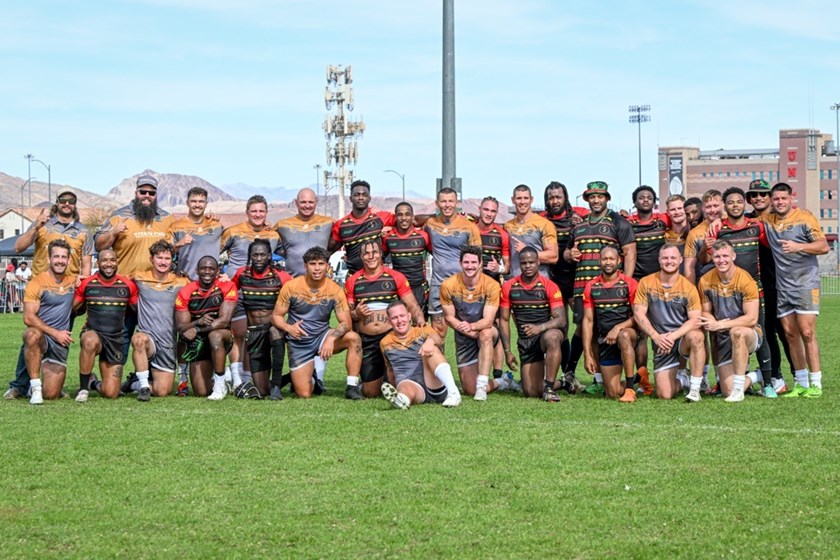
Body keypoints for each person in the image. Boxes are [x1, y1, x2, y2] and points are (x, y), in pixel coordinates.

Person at [5, 190, 93, 400]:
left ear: (75, 205)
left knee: (62, 337)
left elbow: (87, 263)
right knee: (33, 336)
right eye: (62, 200)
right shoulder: (44, 224)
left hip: (68, 292)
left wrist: (83, 284)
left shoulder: (83, 231)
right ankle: (20, 384)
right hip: (42, 289)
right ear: (57, 203)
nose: (66, 204)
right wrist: (36, 225)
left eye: (71, 201)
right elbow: (18, 247)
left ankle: (53, 379)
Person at [565, 181, 636, 393]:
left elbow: (630, 252)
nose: (596, 200)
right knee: (588, 329)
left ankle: (633, 378)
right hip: (583, 287)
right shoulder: (579, 225)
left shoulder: (617, 222)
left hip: (613, 288)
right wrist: (570, 254)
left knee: (621, 328)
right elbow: (568, 253)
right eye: (592, 197)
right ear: (587, 199)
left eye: (600, 196)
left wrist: (624, 283)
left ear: (607, 198)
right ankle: (598, 379)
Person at [760, 182, 829, 398]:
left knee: (807, 333)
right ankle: (800, 382)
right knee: (790, 335)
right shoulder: (767, 220)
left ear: (791, 199)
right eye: (776, 199)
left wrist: (799, 246)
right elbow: (745, 222)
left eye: (784, 198)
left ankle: (816, 383)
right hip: (783, 288)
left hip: (806, 285)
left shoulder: (805, 218)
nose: (780, 202)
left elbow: (823, 246)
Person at [271, 246, 362, 399]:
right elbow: (276, 316)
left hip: (322, 337)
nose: (317, 268)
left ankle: (352, 387)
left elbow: (346, 323)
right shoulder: (291, 287)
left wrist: (331, 338)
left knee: (353, 338)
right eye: (313, 264)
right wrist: (289, 328)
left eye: (321, 264)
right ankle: (311, 376)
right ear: (305, 266)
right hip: (299, 341)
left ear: (328, 266)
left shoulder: (335, 290)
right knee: (304, 394)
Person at [709, 187, 775, 396]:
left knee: (761, 334)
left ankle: (767, 382)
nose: (735, 205)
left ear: (744, 205)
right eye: (731, 202)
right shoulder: (718, 229)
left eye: (739, 201)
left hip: (755, 291)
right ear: (724, 206)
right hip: (727, 293)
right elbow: (706, 256)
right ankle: (730, 381)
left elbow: (772, 248)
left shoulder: (757, 227)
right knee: (727, 336)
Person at [345, 240, 425, 398]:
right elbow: (349, 314)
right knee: (371, 393)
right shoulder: (353, 280)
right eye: (366, 253)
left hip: (391, 337)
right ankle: (370, 380)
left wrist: (420, 320)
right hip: (367, 340)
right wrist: (357, 314)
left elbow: (412, 304)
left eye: (374, 252)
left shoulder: (396, 277)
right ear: (361, 256)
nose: (371, 256)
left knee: (397, 383)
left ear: (381, 254)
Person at [220, 195, 281, 393]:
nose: (258, 214)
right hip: (237, 289)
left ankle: (248, 376)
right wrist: (221, 276)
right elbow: (213, 252)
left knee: (252, 335)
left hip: (261, 290)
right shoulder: (233, 231)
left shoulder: (273, 235)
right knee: (238, 333)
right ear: (247, 212)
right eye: (254, 211)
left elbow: (285, 255)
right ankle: (237, 379)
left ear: (266, 213)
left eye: (261, 211)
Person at [632, 244, 706, 402]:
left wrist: (673, 336)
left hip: (680, 339)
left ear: (680, 260)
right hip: (661, 342)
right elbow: (639, 313)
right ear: (659, 260)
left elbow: (695, 319)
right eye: (665, 258)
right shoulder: (646, 283)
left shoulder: (689, 287)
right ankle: (683, 380)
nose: (669, 261)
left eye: (673, 258)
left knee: (697, 337)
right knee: (664, 395)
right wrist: (656, 336)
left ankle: (695, 389)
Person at [440, 245, 515, 400]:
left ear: (480, 263)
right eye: (466, 262)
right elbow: (449, 317)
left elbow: (488, 320)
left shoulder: (492, 285)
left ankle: (482, 386)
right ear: (460, 263)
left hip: (484, 331)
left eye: (474, 262)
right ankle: (504, 381)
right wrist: (467, 330)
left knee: (486, 333)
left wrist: (472, 327)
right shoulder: (448, 285)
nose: (470, 266)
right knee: (468, 390)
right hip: (463, 335)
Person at [698, 240, 762, 403]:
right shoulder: (705, 280)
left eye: (725, 255)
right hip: (724, 336)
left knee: (737, 332)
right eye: (717, 256)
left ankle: (739, 390)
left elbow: (752, 318)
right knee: (727, 390)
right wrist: (712, 322)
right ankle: (757, 375)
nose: (721, 260)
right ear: (712, 257)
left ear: (734, 256)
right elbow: (706, 311)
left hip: (750, 333)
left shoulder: (746, 280)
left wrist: (719, 325)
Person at [499, 247, 566, 402]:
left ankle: (549, 388)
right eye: (523, 263)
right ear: (519, 264)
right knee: (531, 391)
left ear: (538, 262)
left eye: (531, 262)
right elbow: (503, 320)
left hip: (543, 335)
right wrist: (508, 351)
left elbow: (561, 319)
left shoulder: (549, 286)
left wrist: (540, 328)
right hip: (526, 341)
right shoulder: (509, 286)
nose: (527, 266)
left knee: (553, 336)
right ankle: (564, 382)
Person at [745, 179, 793, 393]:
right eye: (754, 195)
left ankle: (791, 376)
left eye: (763, 194)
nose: (758, 198)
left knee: (783, 332)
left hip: (778, 284)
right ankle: (771, 376)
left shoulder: (779, 220)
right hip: (753, 285)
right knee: (762, 331)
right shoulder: (745, 221)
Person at [72, 249, 138, 402]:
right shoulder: (87, 283)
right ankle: (83, 389)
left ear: (117, 262)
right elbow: (72, 309)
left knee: (111, 393)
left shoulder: (128, 285)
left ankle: (92, 382)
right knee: (89, 341)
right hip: (93, 332)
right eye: (105, 260)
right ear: (98, 263)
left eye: (112, 260)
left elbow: (139, 311)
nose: (109, 264)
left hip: (116, 339)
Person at [231, 239, 293, 399]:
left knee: (275, 332)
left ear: (269, 256)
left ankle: (277, 388)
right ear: (250, 256)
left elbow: (297, 296)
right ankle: (291, 378)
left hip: (272, 328)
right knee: (261, 389)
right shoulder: (241, 274)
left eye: (262, 255)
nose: (259, 258)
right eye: (255, 255)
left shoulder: (281, 277)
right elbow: (229, 292)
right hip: (253, 333)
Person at [174, 256, 241, 400]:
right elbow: (181, 328)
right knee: (201, 391)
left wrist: (197, 329)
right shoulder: (186, 292)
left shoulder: (227, 286)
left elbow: (224, 321)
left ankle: (219, 384)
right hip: (198, 342)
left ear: (218, 271)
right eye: (203, 268)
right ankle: (224, 374)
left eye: (211, 269)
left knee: (215, 336)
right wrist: (197, 322)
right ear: (197, 271)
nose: (207, 271)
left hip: (223, 337)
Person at [130, 241, 190, 400]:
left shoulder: (181, 282)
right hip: (148, 339)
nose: (163, 262)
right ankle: (143, 387)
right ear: (151, 259)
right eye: (159, 257)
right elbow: (116, 281)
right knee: (138, 339)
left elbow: (201, 289)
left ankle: (133, 383)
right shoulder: (139, 277)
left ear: (172, 260)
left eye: (167, 258)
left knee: (162, 391)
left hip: (167, 342)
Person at [626, 185, 671, 394]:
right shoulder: (627, 224)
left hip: (660, 283)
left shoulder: (663, 221)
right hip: (637, 284)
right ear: (634, 202)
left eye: (649, 197)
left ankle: (667, 372)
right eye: (641, 197)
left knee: (662, 327)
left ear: (654, 202)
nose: (645, 200)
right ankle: (642, 374)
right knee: (642, 331)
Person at [540, 181, 586, 380]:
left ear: (565, 197)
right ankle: (567, 373)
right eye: (551, 197)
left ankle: (570, 368)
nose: (555, 201)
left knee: (584, 323)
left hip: (576, 278)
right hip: (554, 279)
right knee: (561, 327)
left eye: (558, 197)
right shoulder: (541, 219)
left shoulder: (579, 214)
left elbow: (603, 216)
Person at [21, 240, 77, 405]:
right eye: (56, 256)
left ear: (68, 260)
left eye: (63, 257)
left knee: (52, 394)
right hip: (44, 337)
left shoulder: (74, 281)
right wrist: (55, 333)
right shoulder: (36, 282)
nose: (60, 260)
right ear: (49, 259)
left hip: (60, 344)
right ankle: (35, 387)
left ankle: (41, 387)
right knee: (31, 334)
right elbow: (28, 317)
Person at [378, 300, 462, 409]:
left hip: (433, 383)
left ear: (409, 316)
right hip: (413, 387)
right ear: (389, 321)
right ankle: (402, 399)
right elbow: (390, 370)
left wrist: (430, 341)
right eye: (394, 318)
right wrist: (395, 386)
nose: (399, 321)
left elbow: (438, 339)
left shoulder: (422, 330)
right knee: (404, 385)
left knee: (430, 350)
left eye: (402, 316)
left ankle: (453, 393)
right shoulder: (385, 342)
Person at [581, 245, 639, 402]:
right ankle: (638, 381)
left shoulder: (630, 283)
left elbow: (638, 317)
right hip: (605, 341)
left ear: (619, 261)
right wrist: (587, 354)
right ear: (599, 261)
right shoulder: (591, 286)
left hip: (628, 335)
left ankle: (630, 389)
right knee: (612, 393)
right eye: (604, 259)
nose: (608, 262)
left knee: (624, 335)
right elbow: (588, 320)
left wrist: (618, 327)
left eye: (611, 259)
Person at [424, 187, 482, 339]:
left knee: (468, 332)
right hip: (438, 285)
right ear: (437, 203)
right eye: (443, 201)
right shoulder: (430, 224)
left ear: (457, 203)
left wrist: (475, 286)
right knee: (437, 332)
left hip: (462, 286)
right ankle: (440, 364)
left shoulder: (469, 227)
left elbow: (478, 260)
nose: (447, 205)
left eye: (451, 201)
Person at [95, 175, 176, 278]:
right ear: (136, 193)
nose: (147, 195)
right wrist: (113, 233)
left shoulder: (168, 218)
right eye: (143, 192)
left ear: (156, 195)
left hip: (155, 285)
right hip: (126, 283)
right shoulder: (118, 216)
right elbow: (98, 246)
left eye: (151, 193)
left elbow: (175, 250)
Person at [329, 180, 395, 275]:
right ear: (351, 198)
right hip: (354, 278)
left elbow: (407, 221)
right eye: (357, 195)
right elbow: (329, 251)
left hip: (378, 277)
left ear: (369, 198)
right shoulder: (341, 225)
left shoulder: (380, 217)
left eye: (364, 195)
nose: (360, 198)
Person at [381, 201, 431, 316]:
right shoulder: (388, 238)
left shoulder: (423, 236)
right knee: (399, 326)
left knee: (419, 327)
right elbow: (378, 260)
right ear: (396, 217)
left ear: (412, 217)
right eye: (400, 214)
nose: (404, 218)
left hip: (419, 289)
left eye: (407, 214)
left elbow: (438, 256)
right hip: (398, 290)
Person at [274, 188, 334, 278]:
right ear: (296, 202)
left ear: (316, 202)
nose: (307, 205)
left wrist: (327, 253)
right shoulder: (282, 225)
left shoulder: (329, 222)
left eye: (310, 202)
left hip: (320, 283)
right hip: (293, 282)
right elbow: (267, 239)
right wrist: (288, 254)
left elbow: (341, 238)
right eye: (303, 202)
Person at [503, 184, 558, 278]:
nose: (522, 202)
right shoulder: (508, 226)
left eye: (526, 198)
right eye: (519, 198)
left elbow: (553, 256)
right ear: (513, 200)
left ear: (531, 200)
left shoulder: (544, 224)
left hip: (539, 285)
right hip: (515, 283)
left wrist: (526, 251)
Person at [169, 187, 224, 280]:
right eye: (193, 201)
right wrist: (178, 244)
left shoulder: (216, 225)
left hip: (210, 283)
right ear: (187, 203)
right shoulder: (176, 227)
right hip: (185, 282)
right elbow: (164, 254)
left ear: (206, 204)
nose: (197, 205)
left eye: (201, 201)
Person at [683, 190, 723, 285]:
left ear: (722, 205)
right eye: (708, 207)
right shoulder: (694, 233)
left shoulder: (730, 223)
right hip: (706, 285)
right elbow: (689, 267)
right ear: (703, 208)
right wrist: (691, 293)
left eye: (716, 205)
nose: (713, 210)